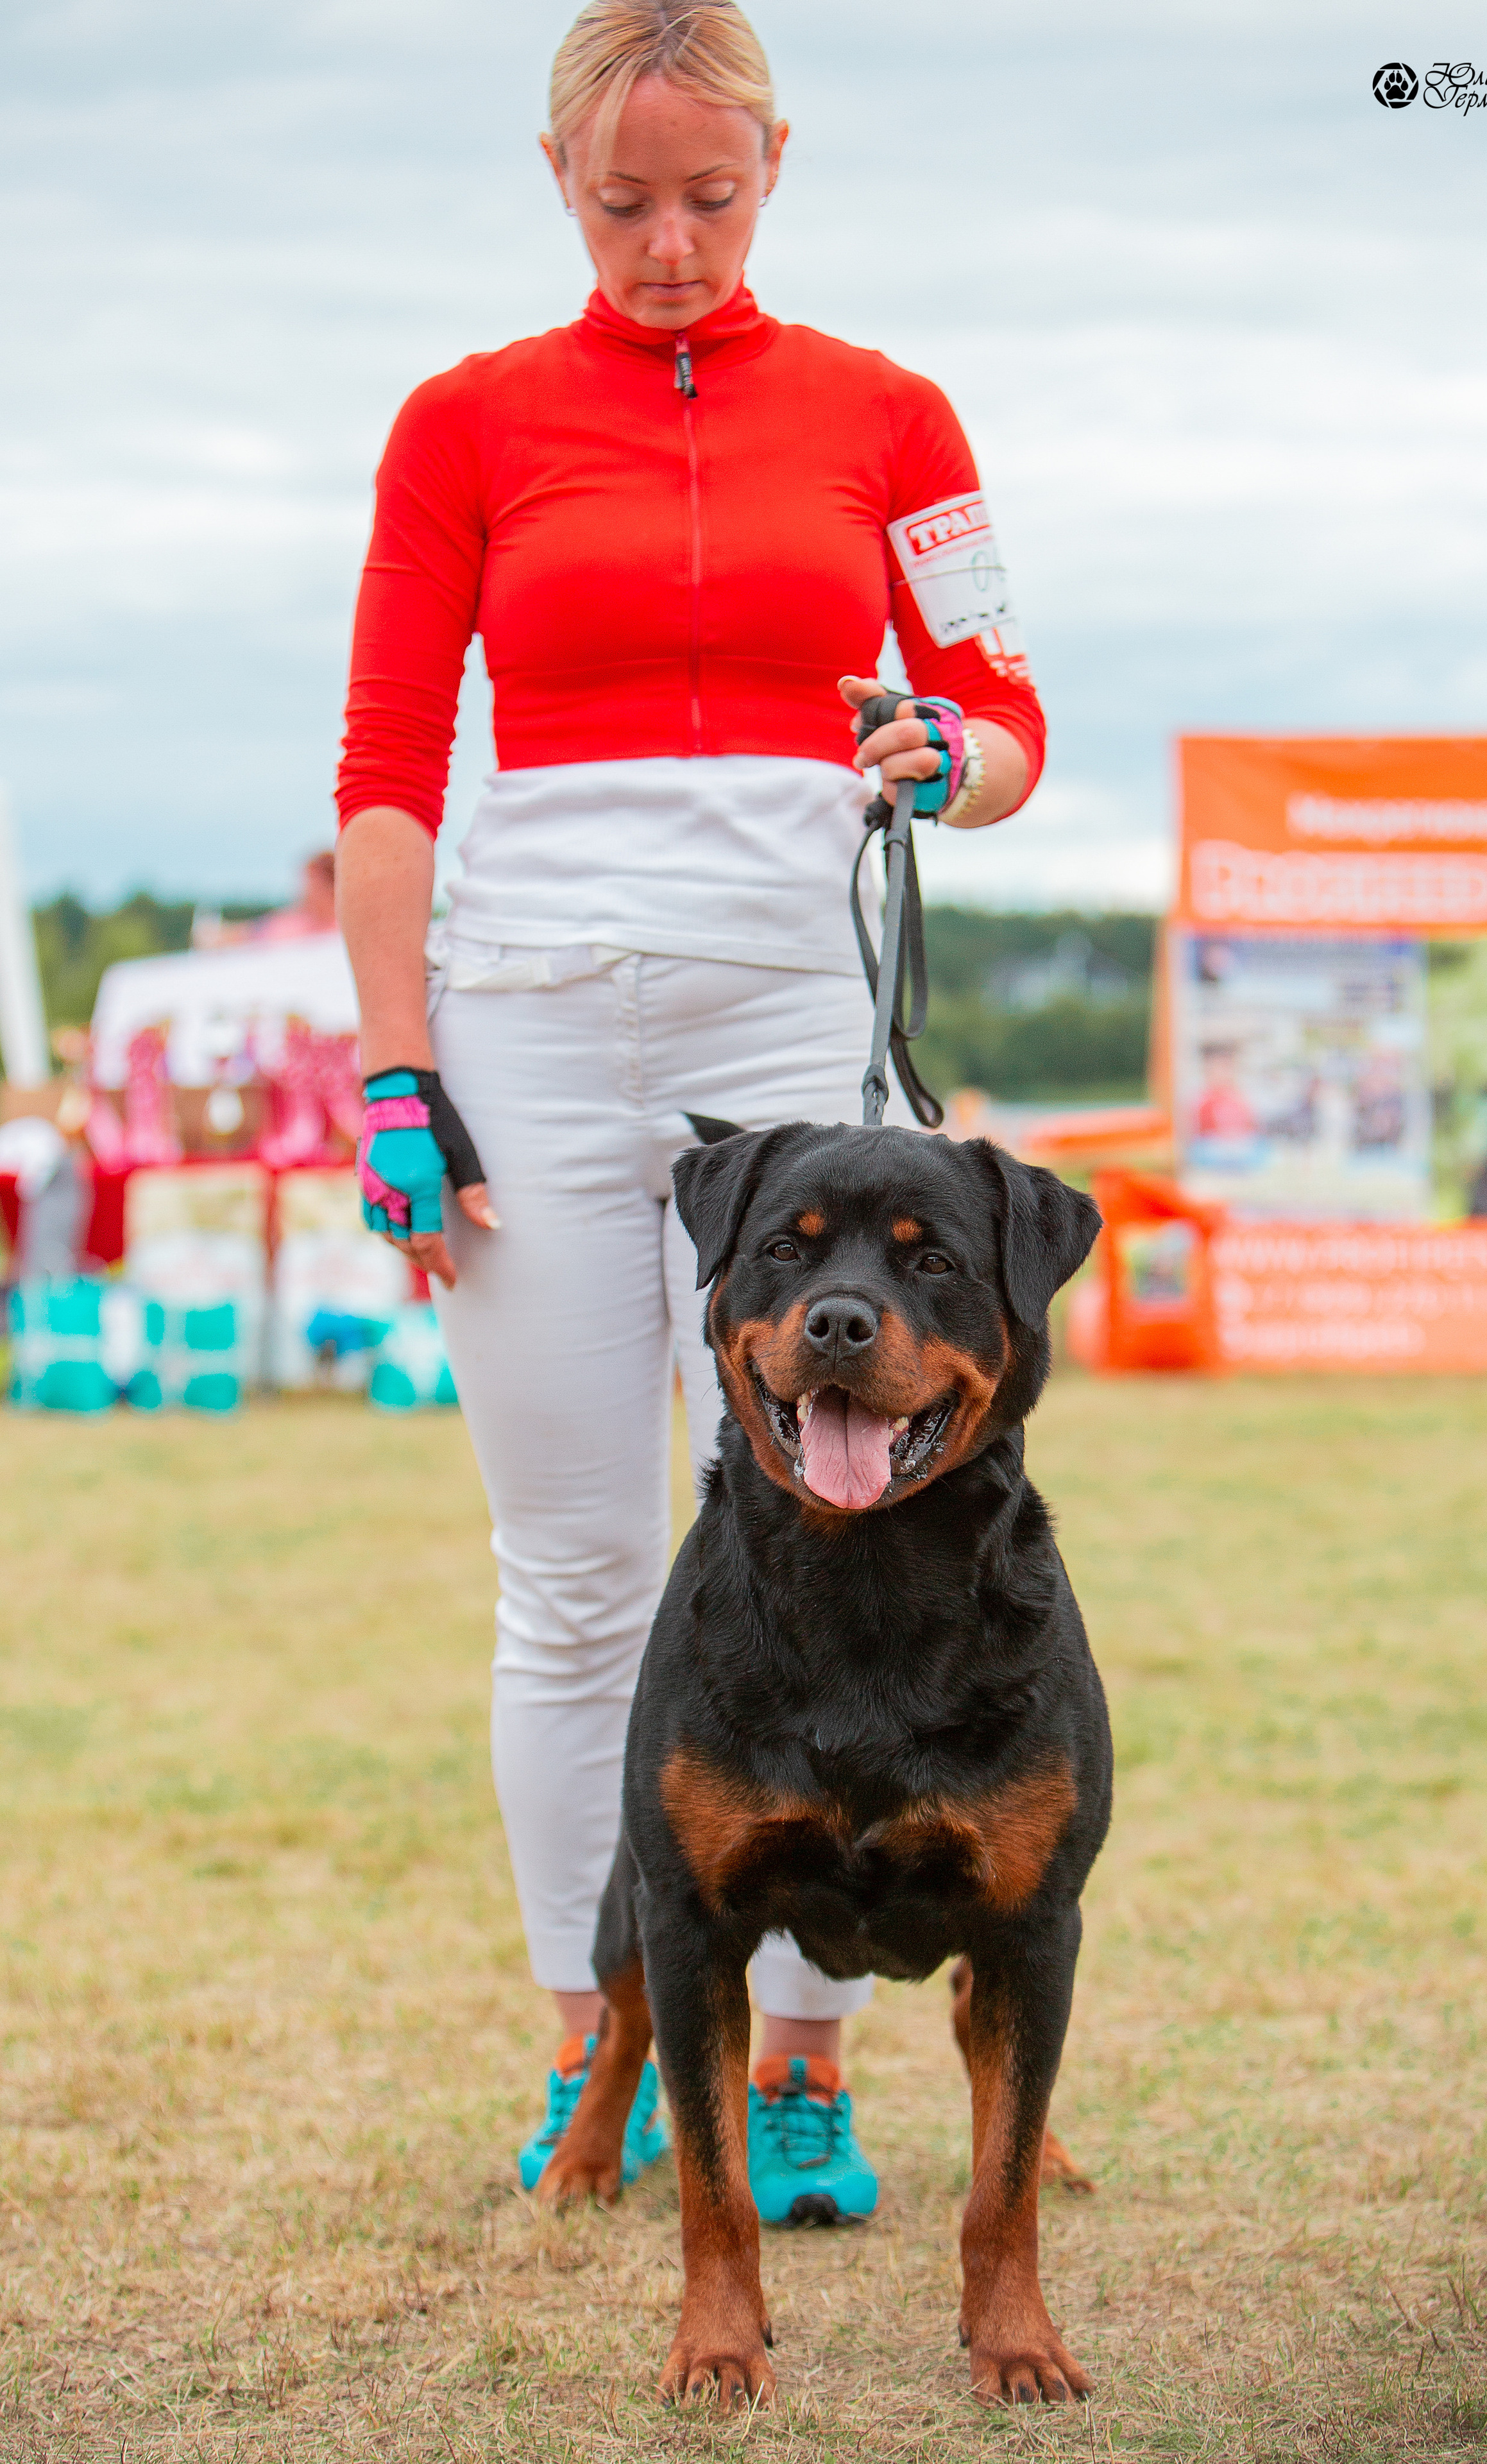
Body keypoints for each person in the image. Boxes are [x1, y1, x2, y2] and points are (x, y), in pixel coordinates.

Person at [334, 0, 1046, 2225]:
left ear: (776, 169)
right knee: (571, 1578)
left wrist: (956, 758)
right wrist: (393, 1068)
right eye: (625, 201)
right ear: (556, 175)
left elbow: (1010, 721)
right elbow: (387, 775)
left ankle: (808, 2069)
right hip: (533, 1032)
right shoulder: (461, 422)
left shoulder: (890, 412)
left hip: (794, 1037)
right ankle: (602, 2042)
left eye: (711, 200)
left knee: (839, 1548)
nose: (669, 246)